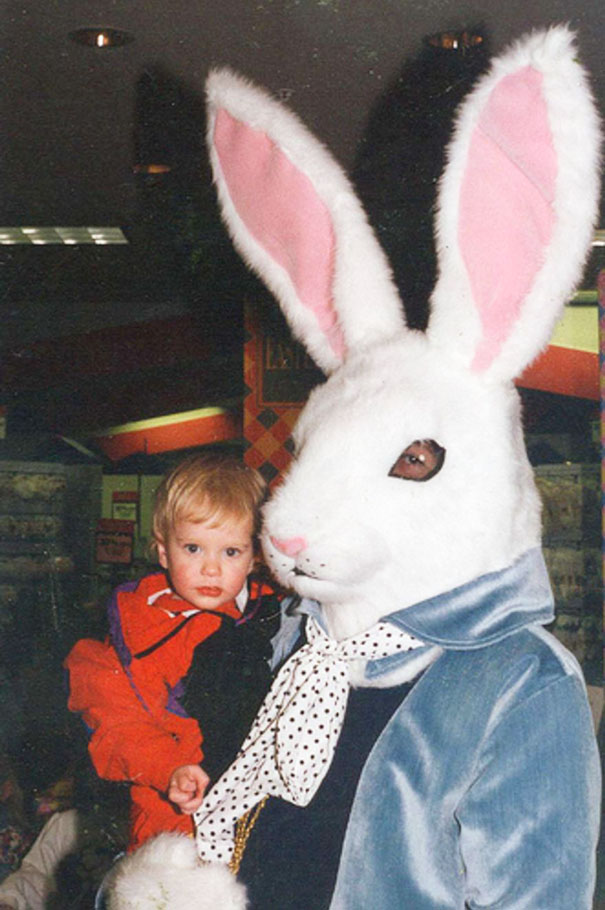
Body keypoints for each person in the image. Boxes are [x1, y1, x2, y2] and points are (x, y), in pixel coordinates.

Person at [64, 453, 285, 852]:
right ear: (164, 551)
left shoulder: (271, 612)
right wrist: (168, 768)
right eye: (194, 548)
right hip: (177, 821)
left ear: (255, 556)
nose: (211, 569)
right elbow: (117, 724)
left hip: (256, 818)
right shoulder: (143, 628)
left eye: (230, 552)